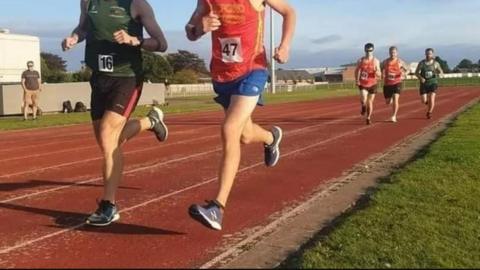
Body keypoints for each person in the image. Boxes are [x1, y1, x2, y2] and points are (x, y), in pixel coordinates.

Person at [185, 0, 296, 231]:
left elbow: (289, 12)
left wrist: (285, 45)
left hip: (252, 70)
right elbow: (191, 31)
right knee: (244, 136)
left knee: (230, 129)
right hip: (222, 74)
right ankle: (270, 138)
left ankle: (217, 207)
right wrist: (200, 28)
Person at [62, 0, 169, 226]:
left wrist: (135, 40)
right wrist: (74, 38)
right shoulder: (87, 1)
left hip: (127, 78)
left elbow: (161, 44)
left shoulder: (137, 4)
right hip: (99, 78)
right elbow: (83, 28)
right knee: (107, 141)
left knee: (108, 136)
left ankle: (109, 205)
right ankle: (151, 121)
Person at [355, 43, 381, 125]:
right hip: (363, 83)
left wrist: (377, 72)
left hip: (373, 84)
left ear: (373, 50)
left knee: (370, 102)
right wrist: (357, 80)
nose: (368, 52)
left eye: (370, 51)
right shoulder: (360, 60)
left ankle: (368, 117)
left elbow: (380, 74)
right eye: (367, 50)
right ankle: (363, 106)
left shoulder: (376, 61)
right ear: (364, 50)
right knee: (363, 98)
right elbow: (357, 71)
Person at [381, 46, 409, 123]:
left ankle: (394, 116)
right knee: (388, 102)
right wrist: (381, 74)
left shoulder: (400, 61)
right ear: (389, 53)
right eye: (391, 52)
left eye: (394, 52)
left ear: (397, 53)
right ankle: (391, 100)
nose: (392, 54)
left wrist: (404, 74)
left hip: (397, 82)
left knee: (396, 99)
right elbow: (380, 68)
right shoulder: (385, 62)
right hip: (387, 84)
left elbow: (408, 69)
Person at [415, 48, 444, 119]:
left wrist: (441, 74)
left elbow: (441, 71)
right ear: (425, 54)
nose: (428, 55)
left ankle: (429, 112)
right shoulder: (421, 63)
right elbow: (416, 72)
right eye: (427, 54)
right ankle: (428, 103)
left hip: (433, 83)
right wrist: (420, 78)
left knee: (432, 97)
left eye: (430, 54)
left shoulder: (436, 63)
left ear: (432, 54)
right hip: (424, 84)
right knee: (424, 100)